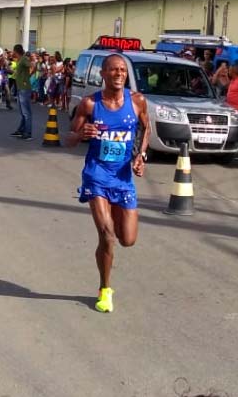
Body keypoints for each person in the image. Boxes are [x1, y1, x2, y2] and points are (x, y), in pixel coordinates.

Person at [66, 53, 150, 313]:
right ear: (102, 74)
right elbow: (67, 138)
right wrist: (81, 134)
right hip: (97, 175)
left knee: (127, 239)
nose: (119, 74)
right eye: (113, 70)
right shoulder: (90, 104)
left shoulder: (137, 102)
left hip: (123, 179)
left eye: (123, 70)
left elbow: (146, 129)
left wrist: (141, 155)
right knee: (107, 234)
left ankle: (108, 247)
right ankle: (105, 289)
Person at [10, 45, 35, 140]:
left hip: (24, 88)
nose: (12, 53)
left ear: (16, 51)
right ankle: (21, 130)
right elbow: (18, 72)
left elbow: (32, 65)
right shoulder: (19, 60)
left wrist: (28, 76)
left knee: (26, 112)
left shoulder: (24, 59)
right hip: (20, 88)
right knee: (22, 112)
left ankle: (28, 133)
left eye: (13, 51)